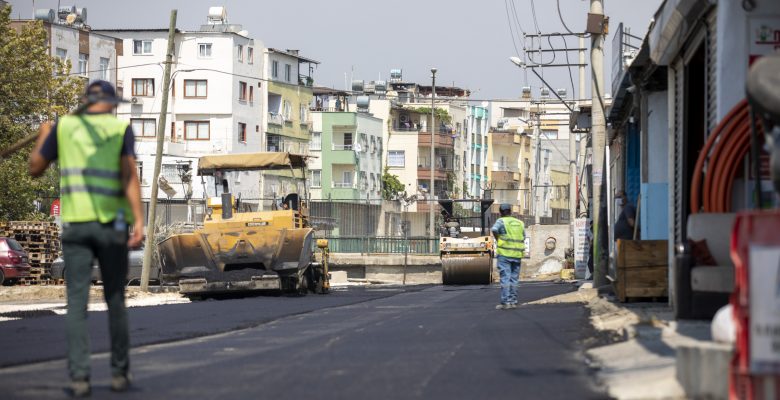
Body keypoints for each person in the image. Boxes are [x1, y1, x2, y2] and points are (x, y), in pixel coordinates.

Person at [29, 81, 144, 397]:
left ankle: (80, 378)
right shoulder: (120, 130)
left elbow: (35, 168)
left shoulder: (64, 128)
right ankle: (120, 373)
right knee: (115, 299)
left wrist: (43, 136)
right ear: (108, 103)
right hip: (111, 226)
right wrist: (138, 220)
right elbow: (130, 175)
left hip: (76, 227)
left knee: (76, 303)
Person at [491, 203, 526, 310]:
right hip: (517, 254)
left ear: (500, 212)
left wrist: (498, 239)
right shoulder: (520, 223)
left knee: (505, 278)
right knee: (514, 279)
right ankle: (513, 302)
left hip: (505, 254)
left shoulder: (501, 221)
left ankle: (506, 302)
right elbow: (523, 236)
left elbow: (494, 230)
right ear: (510, 211)